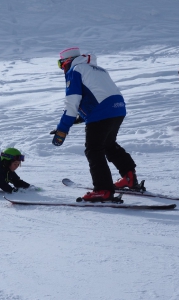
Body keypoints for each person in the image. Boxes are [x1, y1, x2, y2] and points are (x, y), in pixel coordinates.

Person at [51, 47, 139, 201]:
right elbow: (99, 95)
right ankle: (128, 177)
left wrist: (62, 130)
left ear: (66, 62)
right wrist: (81, 118)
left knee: (93, 150)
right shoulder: (97, 69)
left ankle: (103, 190)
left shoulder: (75, 70)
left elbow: (72, 104)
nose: (62, 69)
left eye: (61, 65)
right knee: (108, 145)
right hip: (118, 108)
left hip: (102, 112)